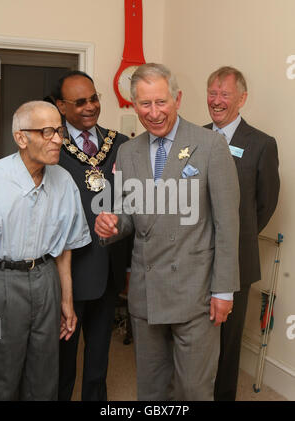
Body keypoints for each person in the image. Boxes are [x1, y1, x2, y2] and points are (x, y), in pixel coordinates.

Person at [95, 63, 240, 401]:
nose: (154, 112)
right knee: (151, 386)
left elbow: (227, 224)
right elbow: (131, 214)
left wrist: (224, 291)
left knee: (194, 389)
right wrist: (114, 223)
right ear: (134, 105)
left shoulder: (210, 145)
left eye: (161, 102)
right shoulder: (128, 151)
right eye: (145, 104)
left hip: (197, 292)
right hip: (146, 292)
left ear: (177, 98)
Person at [0, 101, 91, 401]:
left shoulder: (64, 181)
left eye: (59, 131)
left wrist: (66, 300)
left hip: (46, 278)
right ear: (21, 137)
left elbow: (64, 249)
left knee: (45, 370)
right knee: (3, 370)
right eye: (47, 132)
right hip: (3, 283)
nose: (58, 140)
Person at [54, 70, 131, 401]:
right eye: (80, 101)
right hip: (68, 272)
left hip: (110, 270)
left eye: (94, 98)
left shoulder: (121, 145)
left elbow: (132, 203)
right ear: (61, 106)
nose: (90, 106)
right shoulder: (51, 145)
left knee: (99, 360)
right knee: (61, 362)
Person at [205, 66, 280, 401]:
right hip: (193, 257)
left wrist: (236, 237)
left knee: (227, 341)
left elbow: (264, 205)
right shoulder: (193, 137)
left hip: (236, 260)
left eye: (225, 94)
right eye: (212, 92)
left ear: (241, 98)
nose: (217, 101)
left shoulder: (261, 144)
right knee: (194, 338)